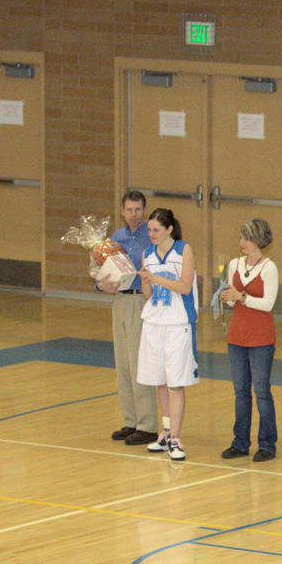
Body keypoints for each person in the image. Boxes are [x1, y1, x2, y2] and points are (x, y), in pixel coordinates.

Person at [136, 208, 198, 461]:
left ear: (169, 229)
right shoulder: (147, 254)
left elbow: (184, 286)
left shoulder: (184, 250)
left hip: (178, 323)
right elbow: (148, 295)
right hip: (154, 323)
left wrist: (157, 279)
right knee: (160, 381)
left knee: (175, 383)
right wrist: (147, 282)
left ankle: (176, 436)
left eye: (156, 230)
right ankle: (164, 432)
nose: (151, 234)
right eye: (149, 230)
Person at [218, 218, 279, 462]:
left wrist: (241, 296)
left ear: (256, 240)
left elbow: (268, 304)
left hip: (261, 337)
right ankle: (240, 442)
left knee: (262, 390)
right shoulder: (234, 264)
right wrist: (226, 297)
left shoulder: (269, 268)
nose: (241, 242)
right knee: (240, 391)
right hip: (237, 335)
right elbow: (233, 301)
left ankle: (267, 444)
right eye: (241, 238)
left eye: (245, 238)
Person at [100, 190, 157, 446]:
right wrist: (101, 285)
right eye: (128, 209)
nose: (133, 214)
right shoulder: (116, 237)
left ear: (144, 210)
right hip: (120, 300)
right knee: (122, 363)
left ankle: (148, 425)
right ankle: (131, 419)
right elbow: (106, 271)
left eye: (137, 209)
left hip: (140, 300)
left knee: (137, 362)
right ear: (121, 211)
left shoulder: (152, 236)